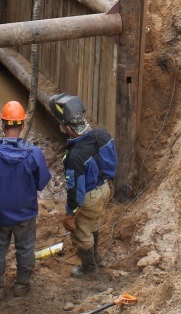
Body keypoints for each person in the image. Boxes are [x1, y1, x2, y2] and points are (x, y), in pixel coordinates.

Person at [0, 101, 51, 301]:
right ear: (23, 125)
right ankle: (21, 286)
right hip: (25, 213)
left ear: (2, 124)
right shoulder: (34, 154)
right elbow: (42, 182)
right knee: (25, 249)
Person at [48, 93, 117, 277]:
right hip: (104, 189)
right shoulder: (102, 135)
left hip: (89, 196)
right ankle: (95, 256)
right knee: (93, 223)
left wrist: (70, 213)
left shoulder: (75, 156)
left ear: (68, 128)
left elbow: (76, 191)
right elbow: (111, 162)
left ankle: (89, 268)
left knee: (81, 231)